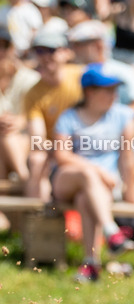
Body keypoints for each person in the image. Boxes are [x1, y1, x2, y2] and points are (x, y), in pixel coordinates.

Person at [52, 63, 134, 282]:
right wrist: (97, 171)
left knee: (86, 198)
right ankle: (112, 232)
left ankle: (91, 264)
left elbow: (128, 158)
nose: (114, 95)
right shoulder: (69, 117)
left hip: (102, 188)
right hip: (68, 180)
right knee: (87, 175)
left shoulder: (123, 115)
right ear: (90, 92)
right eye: (108, 90)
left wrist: (131, 192)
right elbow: (62, 156)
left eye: (115, 89)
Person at [24, 30, 84, 200]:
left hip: (85, 143)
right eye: (40, 51)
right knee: (37, 159)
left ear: (66, 52)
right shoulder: (33, 93)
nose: (46, 56)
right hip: (55, 149)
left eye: (51, 50)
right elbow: (37, 139)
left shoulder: (82, 77)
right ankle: (38, 213)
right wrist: (54, 148)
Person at [66, 19, 134, 120]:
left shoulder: (124, 72)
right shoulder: (67, 72)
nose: (72, 49)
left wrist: (109, 113)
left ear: (98, 45)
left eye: (79, 44)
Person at [0, 25, 39, 181]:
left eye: (4, 46)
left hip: (25, 139)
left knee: (7, 138)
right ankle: (26, 181)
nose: (0, 52)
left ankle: (24, 179)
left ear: (12, 49)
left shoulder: (30, 78)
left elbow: (39, 112)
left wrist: (21, 121)